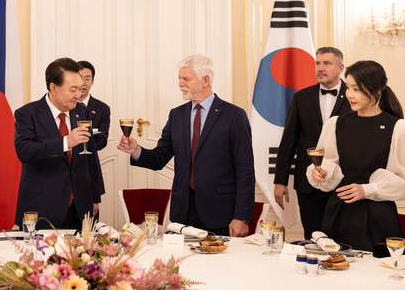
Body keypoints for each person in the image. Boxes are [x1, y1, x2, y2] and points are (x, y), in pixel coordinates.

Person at [118, 54, 255, 237]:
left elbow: (245, 170)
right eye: (179, 79)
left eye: (186, 79)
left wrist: (241, 217)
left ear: (205, 80)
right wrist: (136, 150)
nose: (180, 83)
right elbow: (159, 158)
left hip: (221, 213)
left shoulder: (234, 115)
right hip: (183, 212)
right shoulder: (177, 115)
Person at [309, 60, 405, 251]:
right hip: (338, 212)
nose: (349, 95)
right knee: (334, 270)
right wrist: (319, 173)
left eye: (357, 89)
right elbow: (326, 164)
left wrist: (367, 190)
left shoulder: (398, 128)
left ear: (378, 90)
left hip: (378, 217)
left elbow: (402, 181)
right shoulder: (335, 124)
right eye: (348, 87)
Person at [274, 47, 352, 239]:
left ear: (341, 67)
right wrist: (280, 180)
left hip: (344, 179)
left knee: (343, 236)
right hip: (308, 182)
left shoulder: (354, 97)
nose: (320, 68)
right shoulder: (301, 97)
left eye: (327, 63)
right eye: (317, 63)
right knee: (313, 236)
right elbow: (288, 141)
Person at [13, 57, 100, 229]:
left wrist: (95, 197)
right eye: (73, 89)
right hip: (42, 207)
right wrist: (65, 142)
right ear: (54, 88)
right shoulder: (27, 113)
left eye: (80, 89)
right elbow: (24, 151)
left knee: (82, 256)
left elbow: (91, 158)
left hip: (80, 208)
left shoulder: (82, 111)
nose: (79, 95)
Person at [77, 60, 110, 198]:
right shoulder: (65, 105)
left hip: (89, 169)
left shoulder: (102, 108)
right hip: (62, 169)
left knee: (90, 217)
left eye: (87, 79)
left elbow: (102, 140)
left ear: (93, 81)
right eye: (80, 78)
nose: (83, 83)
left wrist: (81, 146)